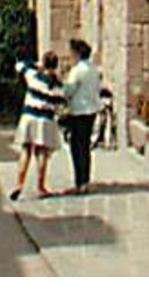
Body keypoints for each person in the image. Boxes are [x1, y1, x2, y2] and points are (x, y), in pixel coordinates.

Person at [11, 52, 65, 201]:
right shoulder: (57, 86)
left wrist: (36, 64)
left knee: (26, 150)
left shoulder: (33, 76)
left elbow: (20, 64)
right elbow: (60, 103)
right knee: (42, 152)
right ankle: (40, 186)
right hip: (45, 119)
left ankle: (19, 184)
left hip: (29, 116)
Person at [60, 38, 102, 195]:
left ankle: (79, 182)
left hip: (78, 111)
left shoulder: (77, 70)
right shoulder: (94, 69)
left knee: (76, 147)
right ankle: (85, 180)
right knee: (85, 146)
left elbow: (68, 91)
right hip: (91, 109)